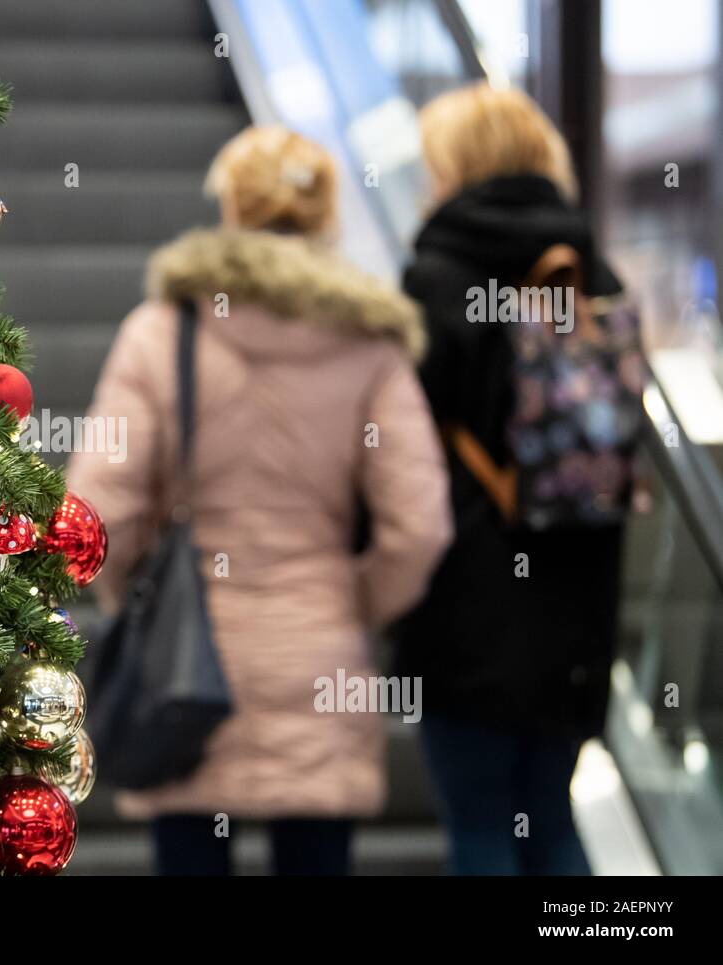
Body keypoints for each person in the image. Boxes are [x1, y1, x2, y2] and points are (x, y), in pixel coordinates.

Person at [66, 127, 453, 876]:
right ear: (327, 212)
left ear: (233, 205)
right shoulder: (371, 343)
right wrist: (351, 602)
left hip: (184, 665)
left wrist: (133, 598)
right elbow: (421, 525)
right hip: (318, 654)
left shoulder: (162, 330)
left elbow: (98, 508)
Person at [395, 83, 627, 875]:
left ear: (456, 163)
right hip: (579, 597)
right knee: (552, 821)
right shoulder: (592, 268)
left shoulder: (437, 274)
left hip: (468, 603)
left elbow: (402, 452)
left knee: (482, 825)